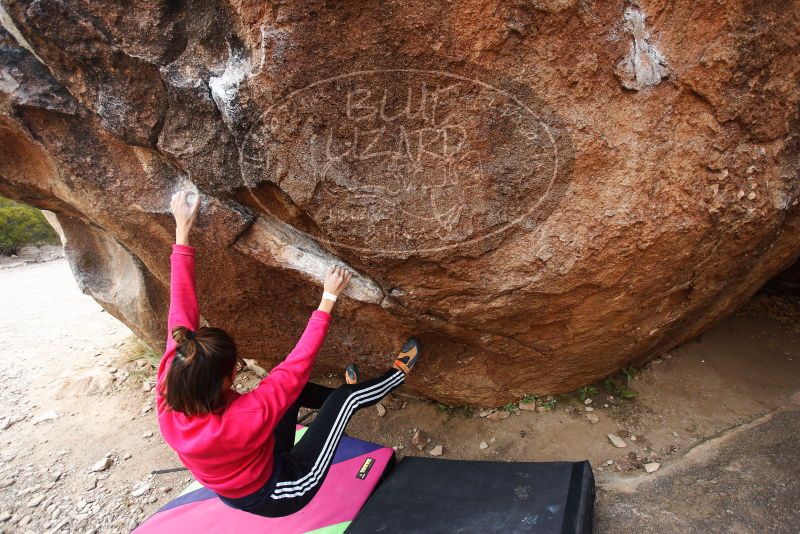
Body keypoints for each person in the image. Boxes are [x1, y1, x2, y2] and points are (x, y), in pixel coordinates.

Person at [156, 190, 420, 517]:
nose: (238, 370)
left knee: (294, 397)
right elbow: (294, 369)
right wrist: (328, 298)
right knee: (344, 399)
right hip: (285, 486)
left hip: (253, 460)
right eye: (235, 368)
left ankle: (344, 404)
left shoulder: (171, 388)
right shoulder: (240, 419)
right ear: (223, 381)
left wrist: (182, 229)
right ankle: (392, 379)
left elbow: (180, 310)